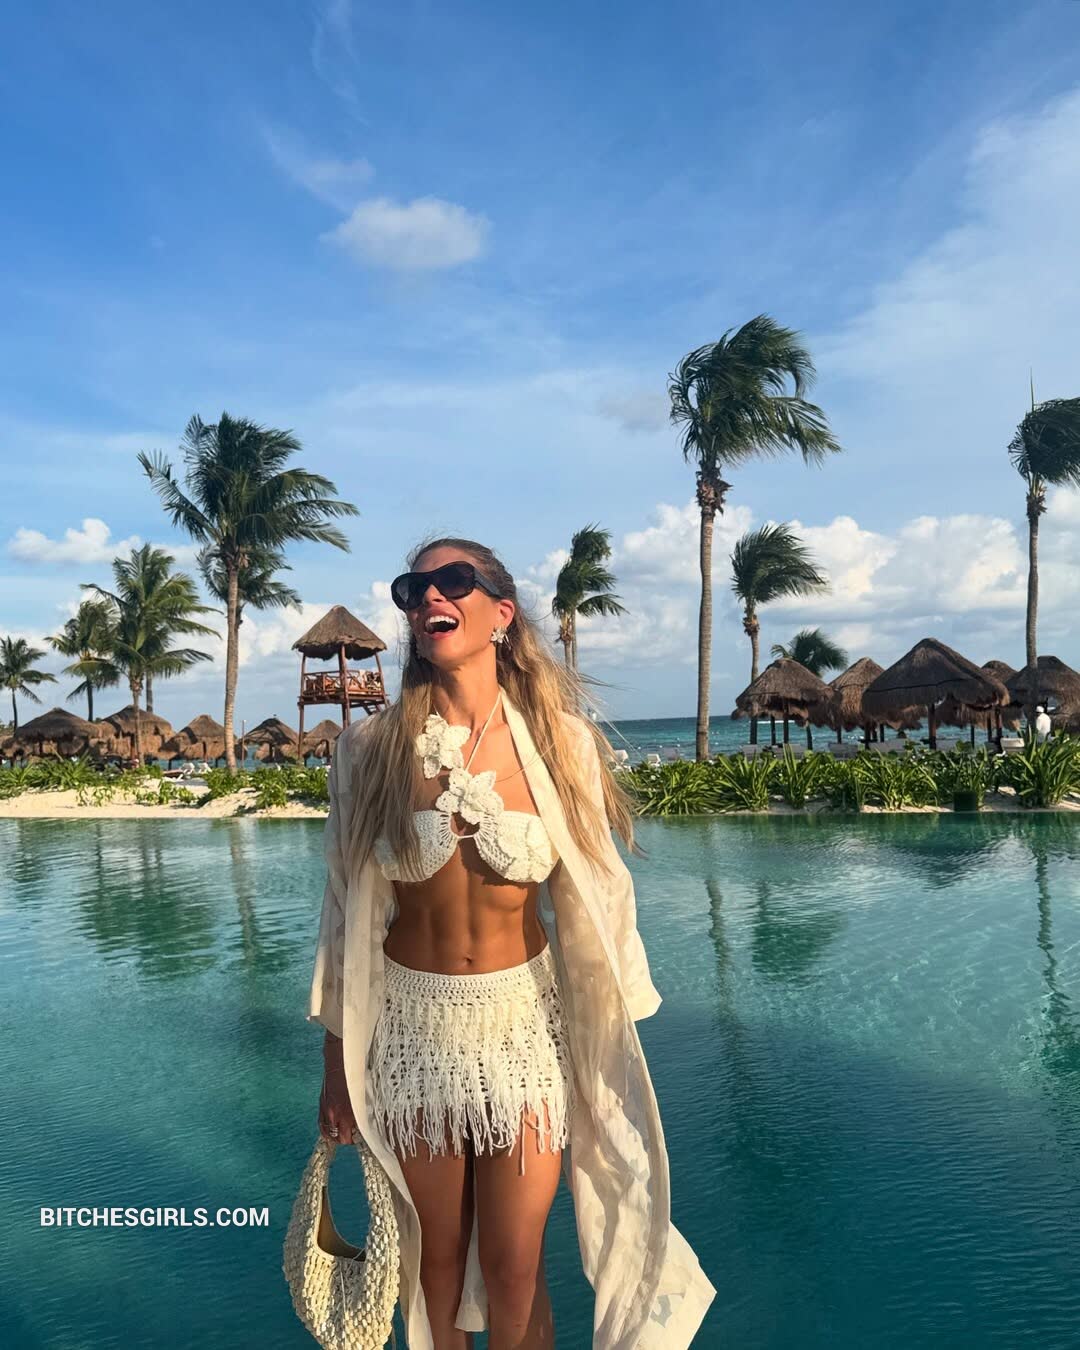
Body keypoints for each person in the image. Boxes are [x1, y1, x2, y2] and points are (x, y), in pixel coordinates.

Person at [308, 537, 715, 1350]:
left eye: (452, 581)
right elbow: (345, 915)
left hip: (523, 1028)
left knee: (515, 1266)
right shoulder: (369, 750)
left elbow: (600, 891)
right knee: (432, 1261)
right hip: (412, 1032)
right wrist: (335, 1066)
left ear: (501, 612)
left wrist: (611, 1037)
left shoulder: (561, 743)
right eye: (413, 588)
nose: (429, 597)